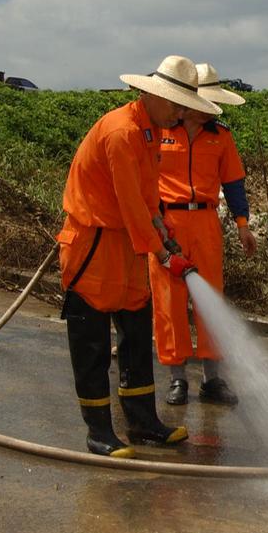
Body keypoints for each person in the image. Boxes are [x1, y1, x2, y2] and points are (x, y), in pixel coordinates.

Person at [58, 55, 220, 458]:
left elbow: (147, 200)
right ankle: (99, 432)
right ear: (151, 95)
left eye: (186, 107)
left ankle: (143, 423)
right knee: (92, 341)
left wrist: (162, 232)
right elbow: (130, 206)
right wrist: (165, 255)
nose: (181, 113)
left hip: (128, 246)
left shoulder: (150, 131)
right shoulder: (122, 133)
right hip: (94, 244)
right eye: (176, 105)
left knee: (134, 336)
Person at [149, 62, 258, 408]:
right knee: (170, 303)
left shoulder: (220, 137)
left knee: (210, 301)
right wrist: (152, 221)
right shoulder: (161, 132)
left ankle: (213, 379)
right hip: (168, 224)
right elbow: (142, 178)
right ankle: (177, 378)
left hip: (206, 222)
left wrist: (243, 224)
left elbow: (234, 183)